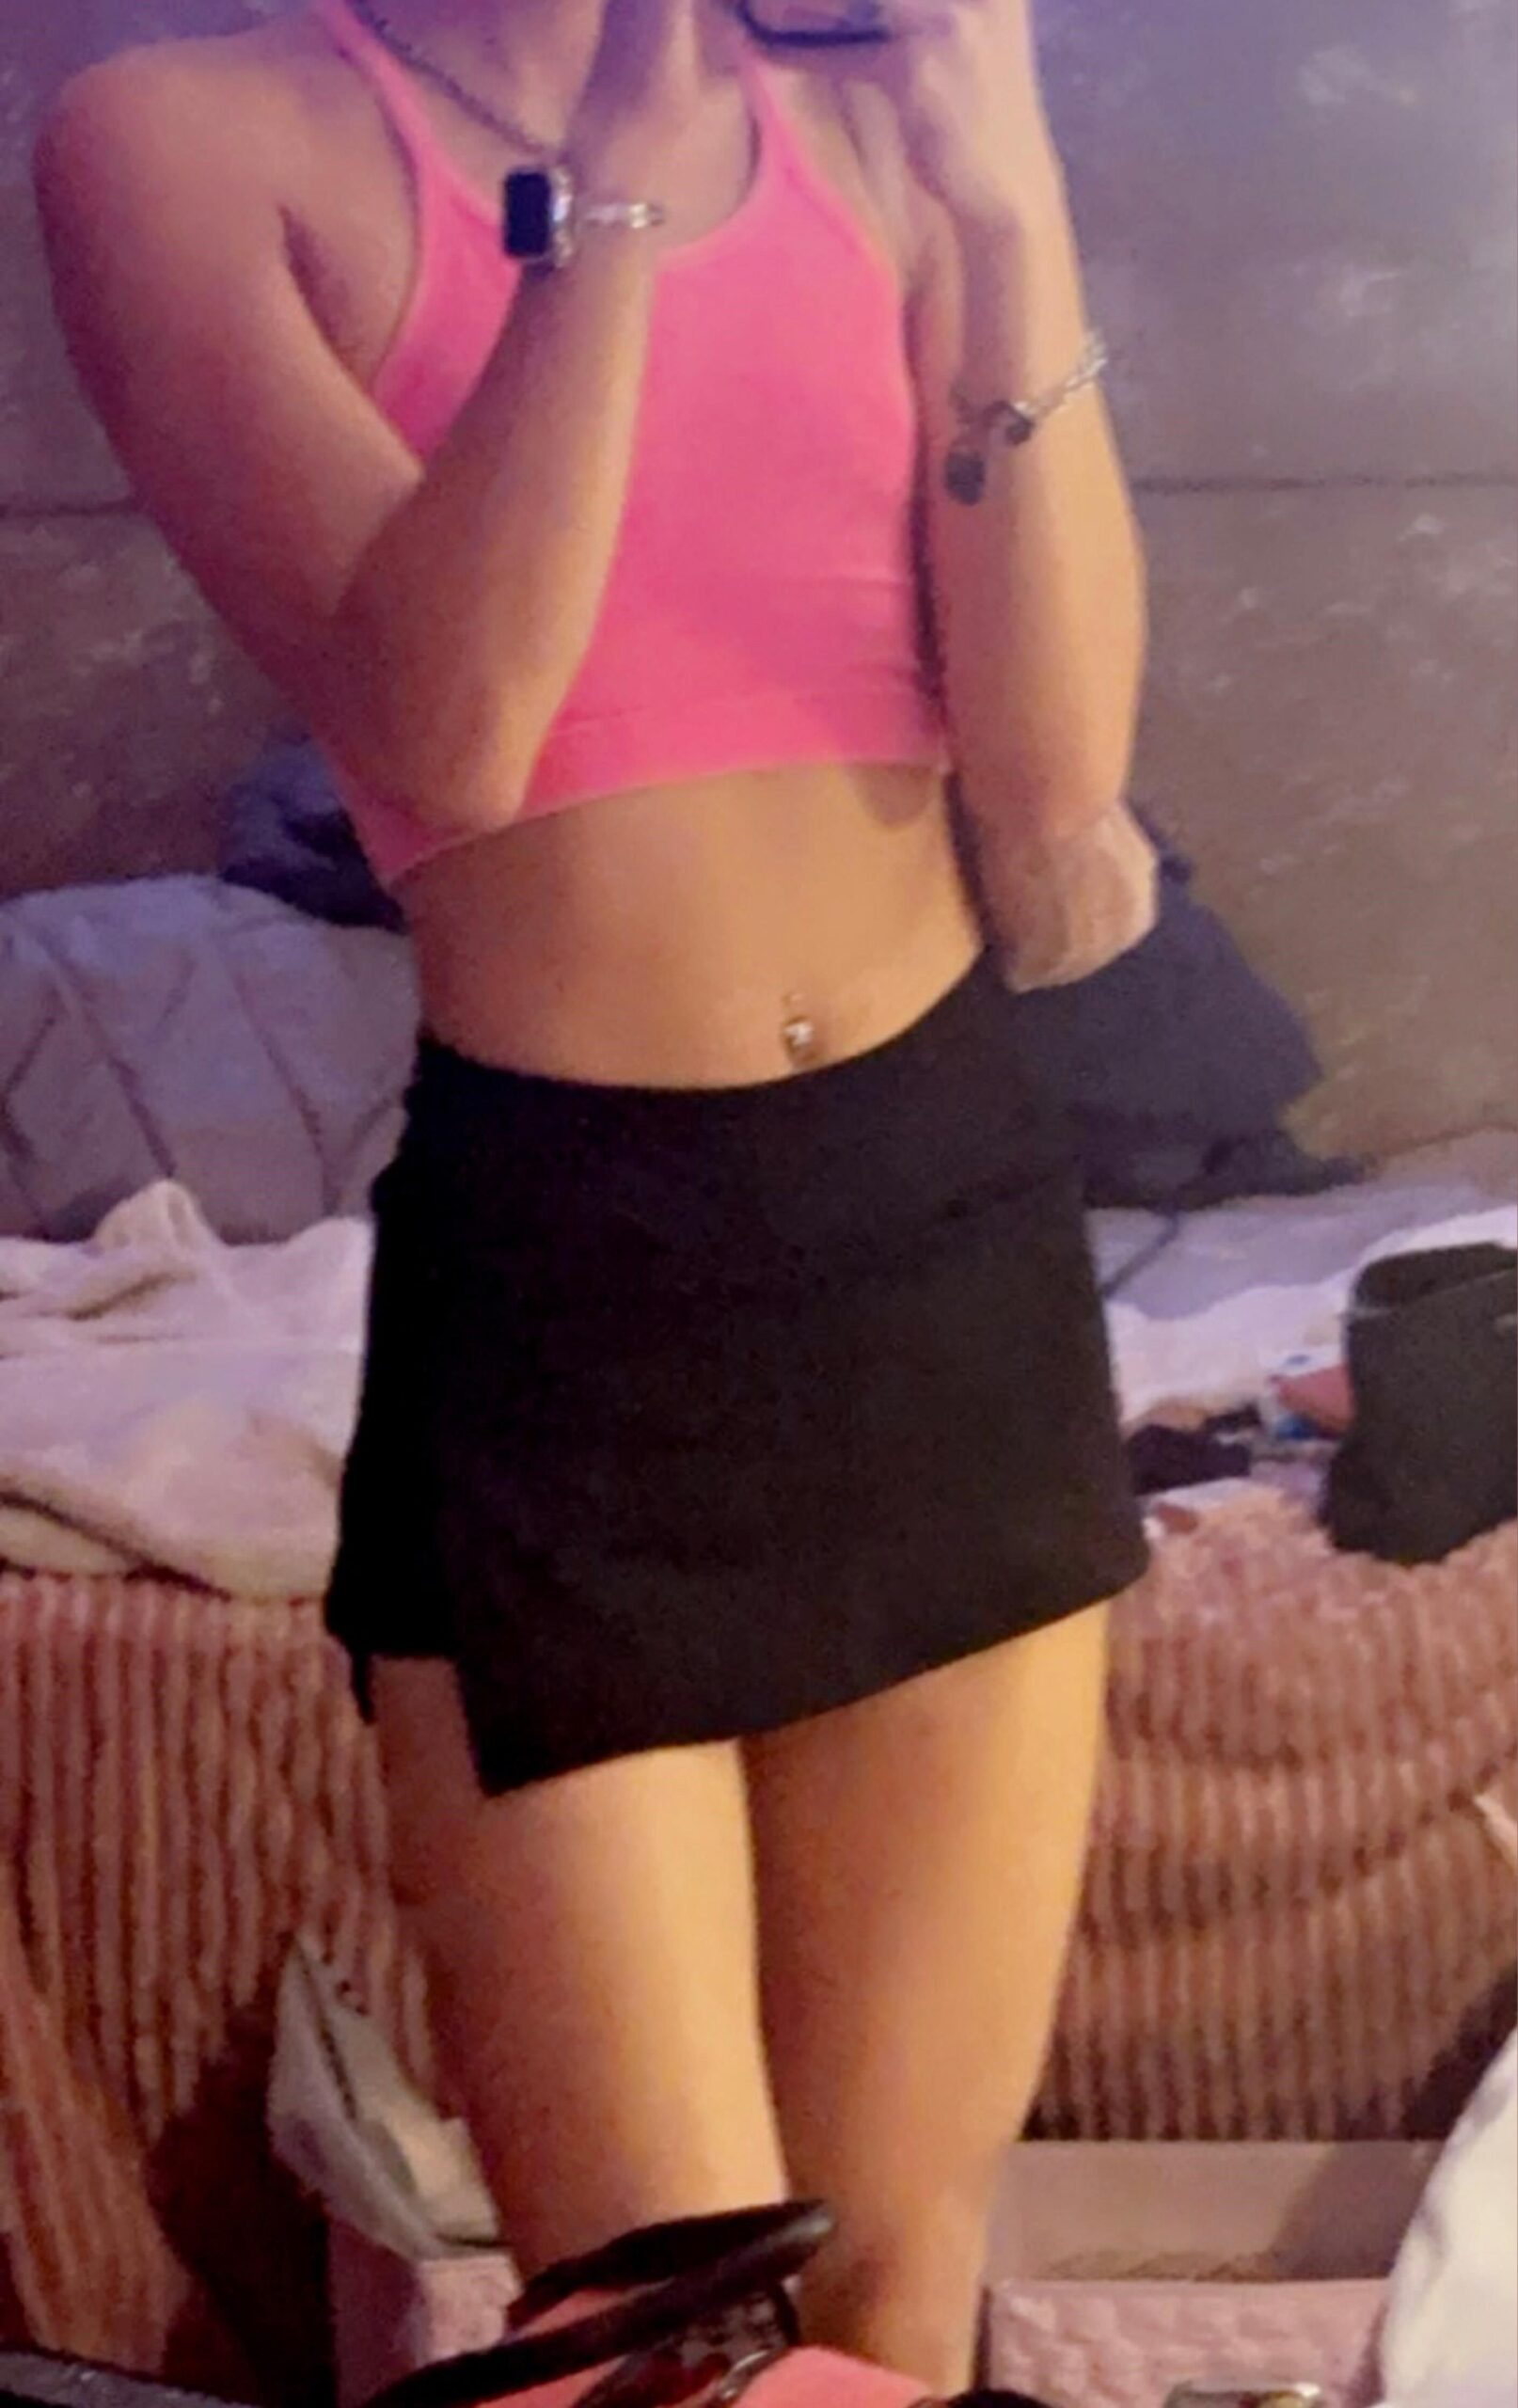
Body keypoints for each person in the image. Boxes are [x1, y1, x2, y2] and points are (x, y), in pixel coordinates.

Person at [36, 0, 1155, 2384]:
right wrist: (615, 214)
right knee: (656, 2333)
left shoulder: (865, 110)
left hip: (943, 1239)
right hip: (575, 1283)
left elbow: (1058, 768)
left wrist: (1007, 193)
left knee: (894, 2291)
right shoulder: (183, 141)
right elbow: (449, 728)